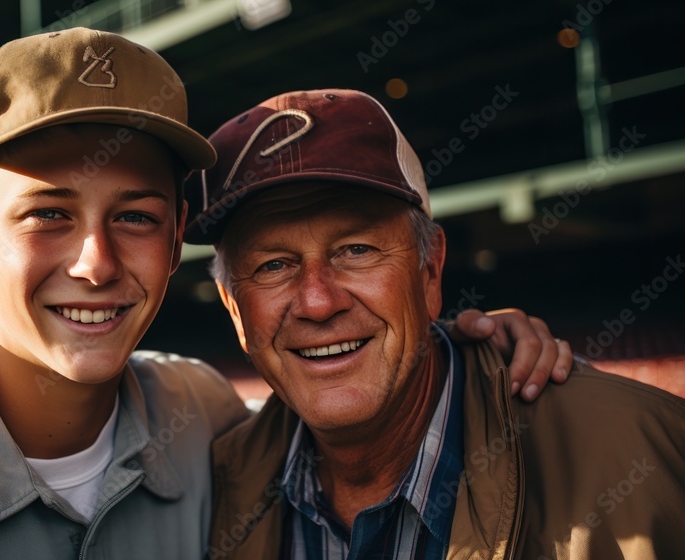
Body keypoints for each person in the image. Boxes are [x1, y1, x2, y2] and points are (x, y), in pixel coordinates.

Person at [0, 32, 568, 559]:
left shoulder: (210, 421)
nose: (95, 262)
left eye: (137, 217)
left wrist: (472, 350)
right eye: (47, 214)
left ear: (178, 231)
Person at [187, 89, 685, 559]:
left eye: (356, 250)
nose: (317, 303)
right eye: (273, 265)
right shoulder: (211, 490)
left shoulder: (647, 454)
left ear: (429, 273)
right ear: (235, 309)